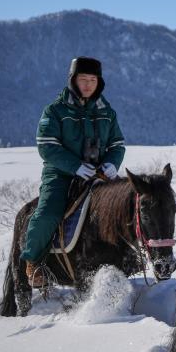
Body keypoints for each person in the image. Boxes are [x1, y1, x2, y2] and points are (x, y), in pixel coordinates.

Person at [21, 57, 126, 286]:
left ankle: (131, 259)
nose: (88, 85)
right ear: (73, 80)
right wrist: (75, 166)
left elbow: (117, 144)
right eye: (83, 79)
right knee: (48, 212)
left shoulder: (107, 112)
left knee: (127, 206)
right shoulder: (56, 110)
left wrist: (112, 163)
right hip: (61, 173)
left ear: (99, 82)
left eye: (93, 79)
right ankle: (33, 261)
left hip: (98, 173)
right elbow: (46, 145)